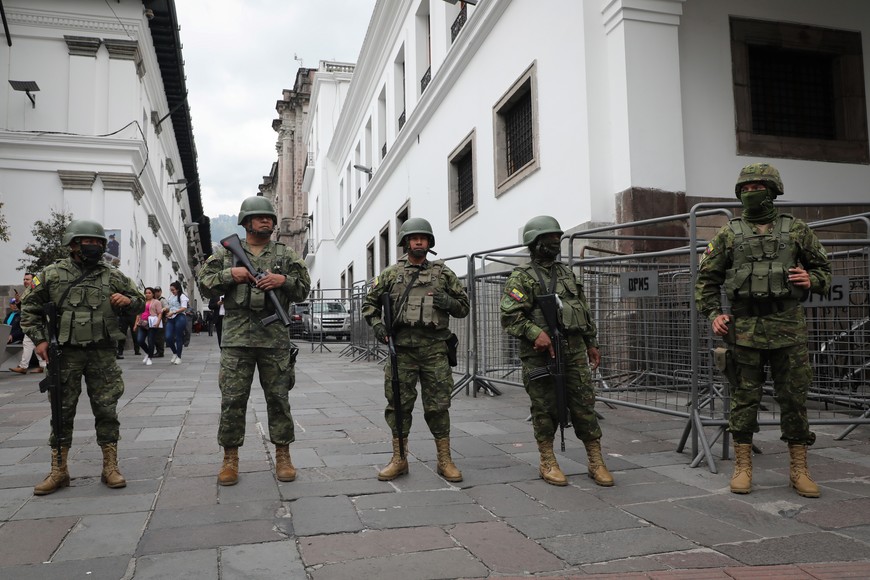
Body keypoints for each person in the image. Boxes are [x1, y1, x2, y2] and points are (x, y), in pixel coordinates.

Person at [695, 162, 832, 498]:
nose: (751, 192)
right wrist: (713, 313)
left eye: (758, 187)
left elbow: (824, 271)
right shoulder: (728, 234)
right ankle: (742, 467)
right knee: (744, 399)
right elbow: (706, 281)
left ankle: (799, 469)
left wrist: (812, 279)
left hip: (788, 328)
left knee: (794, 399)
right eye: (746, 188)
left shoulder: (797, 230)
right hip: (744, 329)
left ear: (773, 191)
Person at [20, 219, 145, 495]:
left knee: (106, 408)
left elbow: (139, 300)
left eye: (99, 242)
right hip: (66, 354)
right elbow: (29, 308)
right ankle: (59, 470)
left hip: (102, 353)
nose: (96, 246)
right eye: (90, 241)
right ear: (74, 244)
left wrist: (128, 301)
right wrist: (40, 340)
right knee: (61, 411)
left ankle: (110, 466)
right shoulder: (51, 274)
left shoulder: (112, 275)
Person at [197, 196, 310, 486]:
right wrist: (229, 275)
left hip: (274, 339)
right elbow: (204, 284)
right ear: (246, 222)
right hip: (237, 338)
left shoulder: (285, 254)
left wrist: (283, 281)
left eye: (270, 218)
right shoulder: (225, 254)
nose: (267, 221)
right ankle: (230, 459)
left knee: (279, 398)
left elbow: (304, 289)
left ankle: (283, 455)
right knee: (233, 400)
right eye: (260, 218)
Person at [500, 216, 614, 487]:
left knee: (585, 404)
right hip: (541, 355)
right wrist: (534, 333)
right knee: (545, 407)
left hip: (573, 351)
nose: (554, 242)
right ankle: (547, 460)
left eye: (556, 237)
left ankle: (595, 460)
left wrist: (591, 343)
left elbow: (583, 310)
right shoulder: (522, 277)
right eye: (549, 238)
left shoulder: (566, 274)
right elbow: (509, 316)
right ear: (534, 242)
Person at [362, 217, 470, 483]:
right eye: (414, 237)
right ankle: (399, 459)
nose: (418, 241)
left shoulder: (443, 274)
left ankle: (445, 459)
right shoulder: (390, 274)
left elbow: (463, 306)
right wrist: (378, 326)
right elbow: (369, 305)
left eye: (423, 237)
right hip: (402, 352)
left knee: (438, 405)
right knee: (398, 405)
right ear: (405, 242)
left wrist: (446, 300)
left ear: (429, 242)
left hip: (435, 350)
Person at [10, 273, 47, 374]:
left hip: (37, 321)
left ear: (34, 280)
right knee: (34, 343)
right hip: (31, 322)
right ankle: (42, 365)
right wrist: (18, 301)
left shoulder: (36, 291)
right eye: (24, 279)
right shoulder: (27, 292)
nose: (25, 281)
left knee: (30, 342)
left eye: (28, 279)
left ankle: (24, 366)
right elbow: (24, 309)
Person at [134, 287, 162, 365]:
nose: (147, 294)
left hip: (152, 324)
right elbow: (138, 313)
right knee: (140, 340)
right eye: (146, 293)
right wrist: (135, 324)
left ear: (153, 294)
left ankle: (150, 357)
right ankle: (148, 352)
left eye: (149, 293)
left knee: (150, 341)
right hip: (142, 323)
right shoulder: (142, 302)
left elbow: (160, 313)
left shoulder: (156, 302)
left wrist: (158, 322)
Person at [164, 281, 188, 364]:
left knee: (178, 337)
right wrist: (165, 309)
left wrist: (174, 312)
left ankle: (179, 357)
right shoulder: (171, 297)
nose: (172, 291)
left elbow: (184, 308)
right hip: (171, 318)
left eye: (173, 290)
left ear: (178, 289)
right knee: (168, 337)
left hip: (180, 317)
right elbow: (169, 306)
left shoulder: (182, 296)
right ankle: (174, 352)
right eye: (171, 290)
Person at [152, 286, 167, 357]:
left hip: (161, 320)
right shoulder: (153, 300)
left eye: (158, 291)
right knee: (155, 337)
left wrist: (163, 309)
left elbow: (167, 307)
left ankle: (160, 352)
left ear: (160, 292)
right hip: (154, 320)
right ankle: (158, 351)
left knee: (159, 337)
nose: (156, 293)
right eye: (155, 291)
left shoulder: (162, 300)